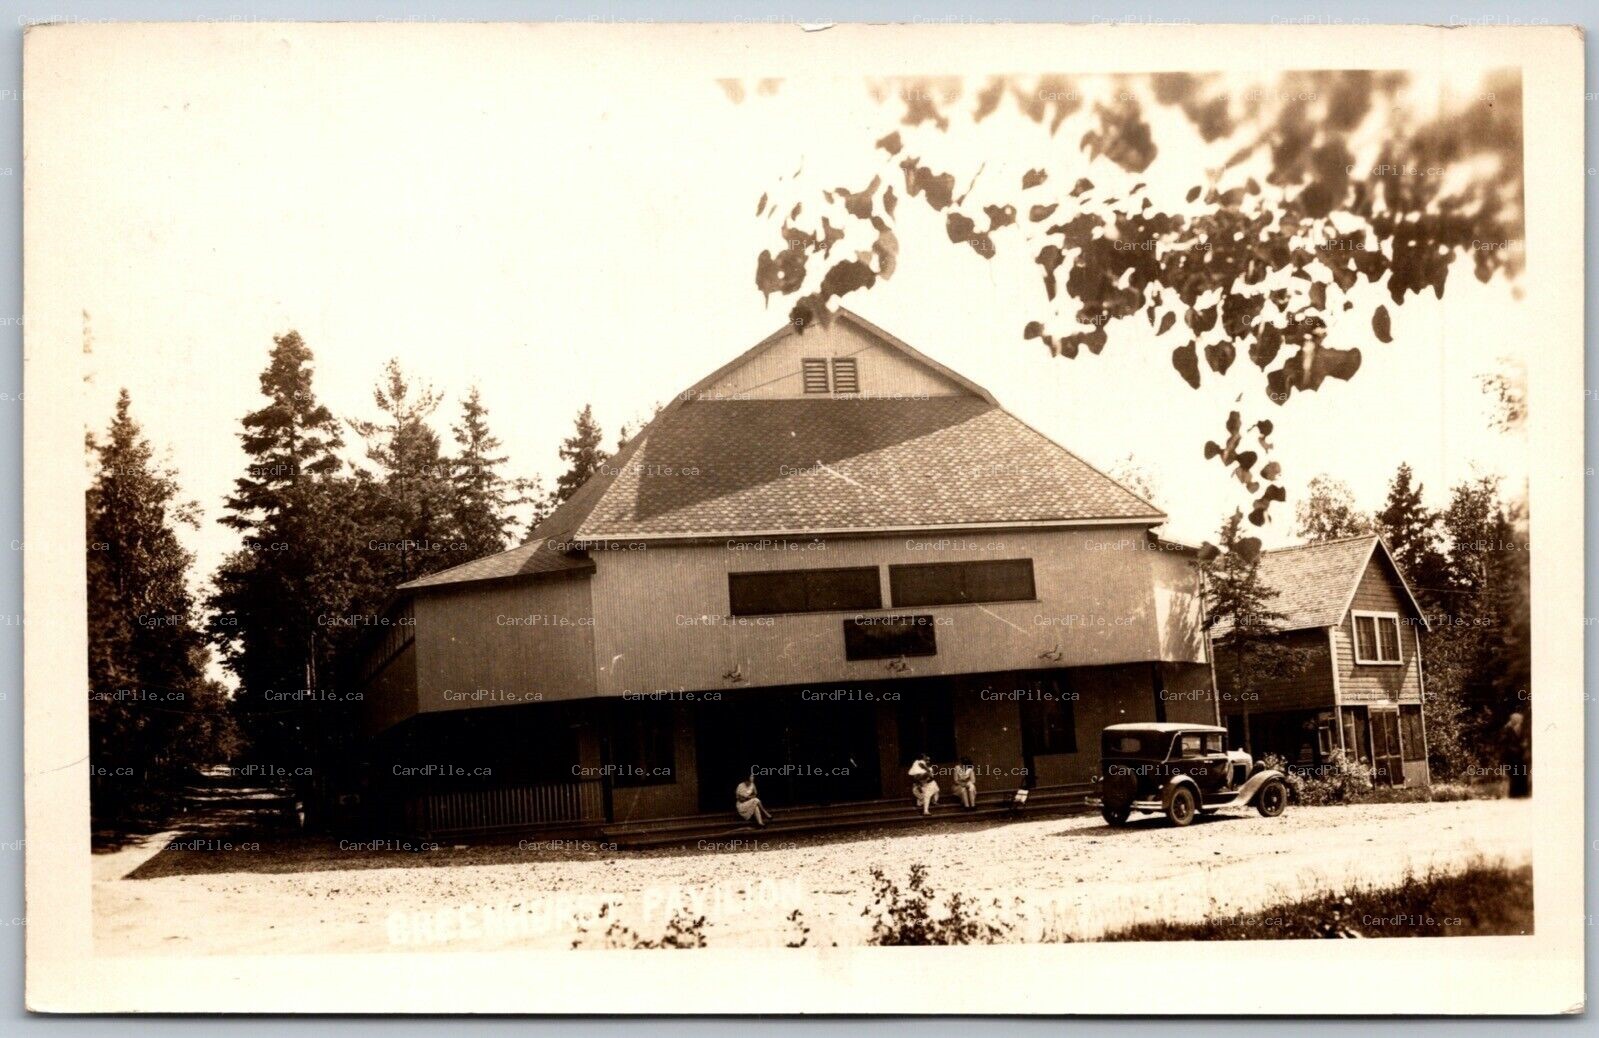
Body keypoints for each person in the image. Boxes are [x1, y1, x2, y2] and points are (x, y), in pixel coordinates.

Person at [1502, 712, 1531, 799]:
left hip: (1519, 756)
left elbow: (1523, 740)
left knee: (1522, 774)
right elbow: (1504, 744)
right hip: (1511, 756)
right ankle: (1514, 795)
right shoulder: (1507, 729)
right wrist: (1518, 748)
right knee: (1514, 775)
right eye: (1519, 720)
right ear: (1514, 720)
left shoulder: (1519, 728)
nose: (1520, 722)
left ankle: (1522, 793)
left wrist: (1524, 746)